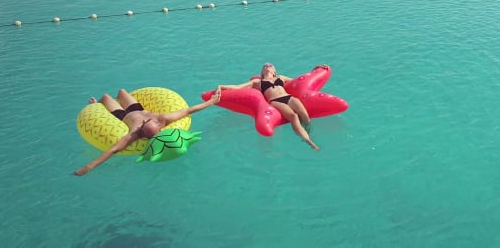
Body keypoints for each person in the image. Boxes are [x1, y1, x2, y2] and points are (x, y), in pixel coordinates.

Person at [74, 88, 220, 176]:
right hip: (137, 108)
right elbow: (189, 110)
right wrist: (211, 102)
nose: (144, 121)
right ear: (157, 123)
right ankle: (108, 102)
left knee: (106, 96)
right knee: (121, 92)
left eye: (144, 123)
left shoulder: (135, 133)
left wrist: (88, 167)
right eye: (146, 122)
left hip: (122, 115)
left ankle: (96, 105)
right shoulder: (162, 118)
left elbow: (114, 149)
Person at [218, 63, 326, 150]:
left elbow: (301, 80)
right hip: (275, 100)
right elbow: (238, 87)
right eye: (264, 66)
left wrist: (315, 69)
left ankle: (308, 132)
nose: (267, 65)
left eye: (270, 65)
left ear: (274, 70)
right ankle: (309, 142)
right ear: (262, 71)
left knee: (305, 115)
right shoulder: (257, 82)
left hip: (289, 97)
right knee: (293, 116)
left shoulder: (281, 77)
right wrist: (222, 86)